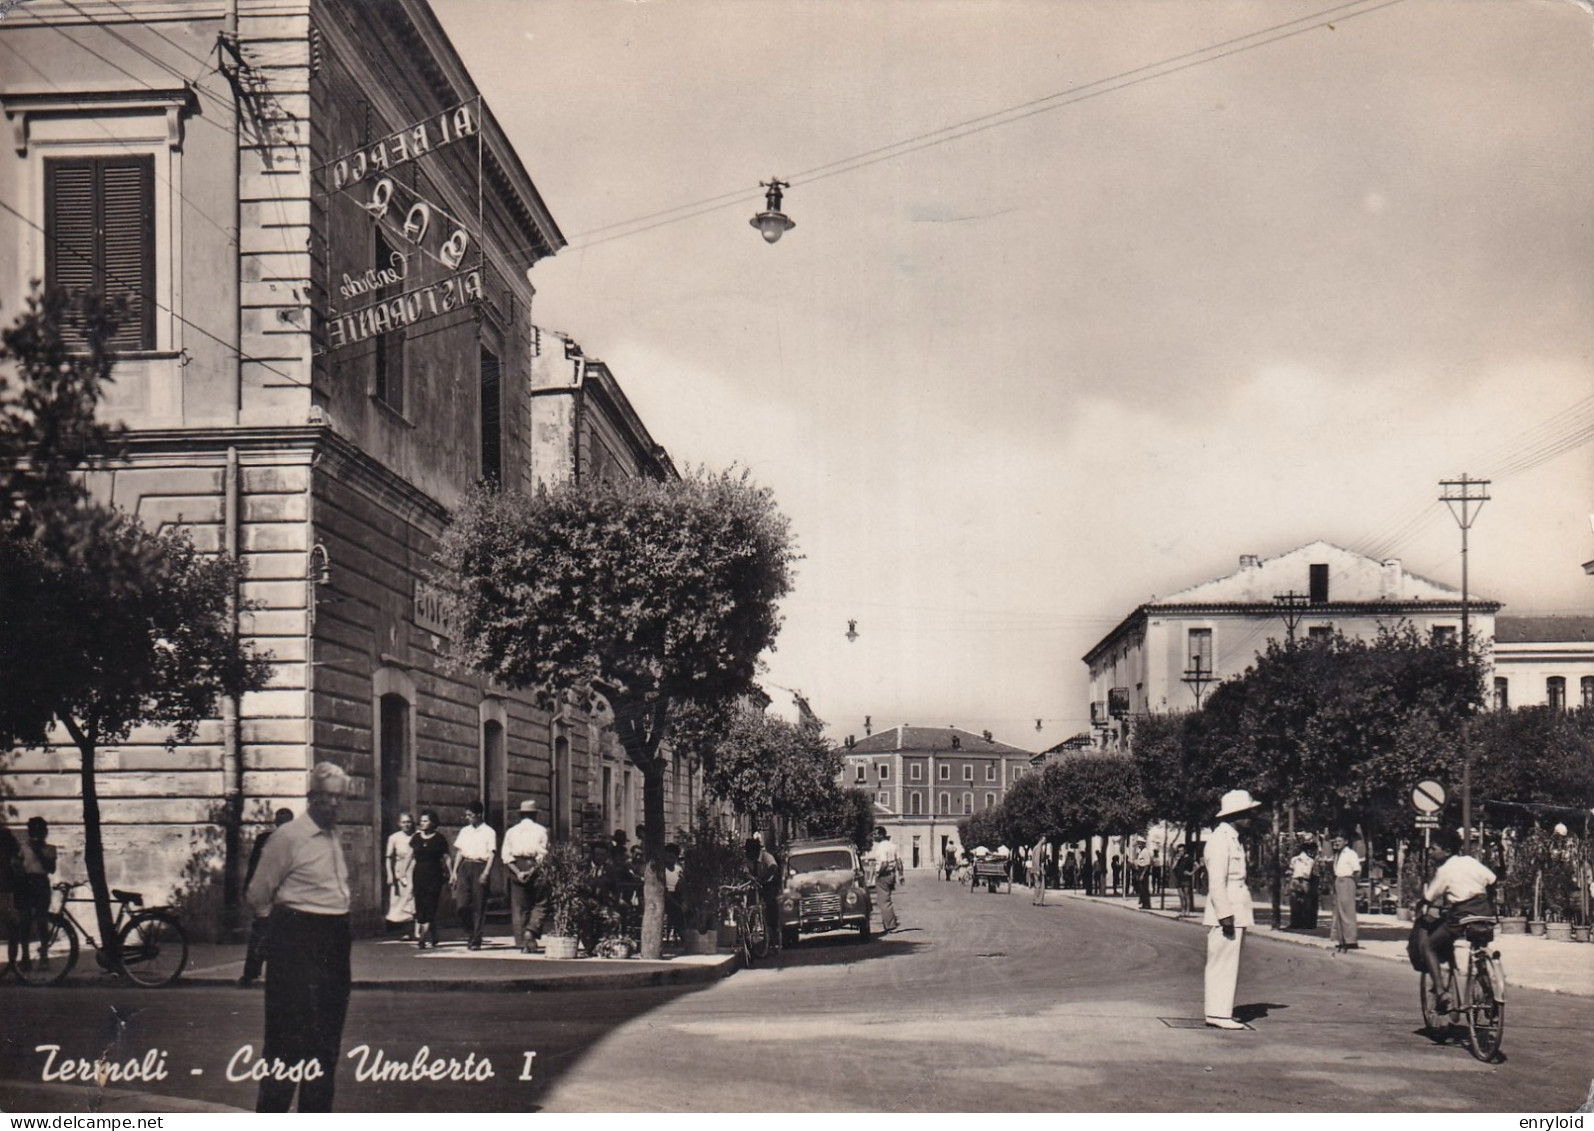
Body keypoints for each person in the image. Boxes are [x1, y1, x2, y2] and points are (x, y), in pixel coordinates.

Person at [245, 762, 354, 1112]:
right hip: (297, 939)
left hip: (334, 941)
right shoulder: (288, 837)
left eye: (340, 798)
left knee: (325, 1042)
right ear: (312, 798)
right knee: (286, 1042)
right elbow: (258, 893)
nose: (335, 805)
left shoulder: (334, 835)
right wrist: (280, 931)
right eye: (328, 797)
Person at [1414, 832, 1497, 1014]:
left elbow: (1429, 896)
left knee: (1429, 945)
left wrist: (1420, 907)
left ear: (1446, 851)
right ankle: (1489, 994)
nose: (1431, 852)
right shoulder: (1470, 861)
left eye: (1434, 849)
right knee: (1478, 950)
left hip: (1461, 916)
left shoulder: (1444, 871)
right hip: (1484, 913)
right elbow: (1492, 879)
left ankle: (1441, 992)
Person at [1203, 788, 1260, 1030]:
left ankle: (1221, 1011)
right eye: (1247, 813)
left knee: (1229, 963)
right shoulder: (1220, 840)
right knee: (1222, 963)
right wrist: (1225, 915)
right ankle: (1218, 1013)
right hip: (1226, 913)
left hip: (1236, 910)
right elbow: (1217, 883)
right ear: (1233, 814)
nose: (1251, 817)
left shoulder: (1231, 838)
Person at [240, 807, 296, 986]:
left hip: (281, 894)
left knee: (264, 933)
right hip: (273, 894)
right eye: (281, 820)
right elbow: (254, 865)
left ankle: (253, 973)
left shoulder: (290, 841)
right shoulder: (271, 839)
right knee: (263, 932)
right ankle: (252, 973)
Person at [501, 799, 550, 953]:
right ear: (535, 815)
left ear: (521, 815)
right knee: (541, 902)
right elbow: (543, 855)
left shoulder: (511, 831)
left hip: (517, 867)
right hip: (535, 867)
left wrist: (518, 872)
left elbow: (506, 855)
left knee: (519, 907)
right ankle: (531, 931)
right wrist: (532, 871)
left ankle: (523, 943)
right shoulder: (541, 830)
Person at [451, 801, 496, 950]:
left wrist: (486, 873)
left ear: (478, 815)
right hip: (465, 867)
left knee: (479, 905)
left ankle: (476, 939)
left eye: (470, 815)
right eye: (467, 815)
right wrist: (454, 872)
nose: (467, 818)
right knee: (461, 905)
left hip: (480, 866)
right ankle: (470, 933)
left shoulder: (489, 832)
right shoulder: (465, 831)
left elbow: (491, 854)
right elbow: (459, 852)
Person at [15, 816, 57, 971]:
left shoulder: (50, 849)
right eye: (34, 831)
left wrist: (39, 851)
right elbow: (17, 864)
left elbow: (51, 869)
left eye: (40, 831)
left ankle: (44, 957)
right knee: (25, 921)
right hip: (26, 883)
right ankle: (25, 957)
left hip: (41, 883)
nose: (38, 834)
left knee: (41, 920)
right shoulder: (23, 847)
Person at [409, 811, 449, 949]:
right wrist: (402, 873)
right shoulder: (416, 838)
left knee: (431, 904)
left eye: (425, 821)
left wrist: (452, 873)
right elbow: (410, 856)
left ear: (433, 823)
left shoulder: (439, 839)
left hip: (434, 875)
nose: (422, 823)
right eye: (421, 821)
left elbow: (446, 857)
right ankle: (434, 935)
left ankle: (423, 937)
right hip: (418, 874)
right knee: (420, 904)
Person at [744, 835, 781, 947]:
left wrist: (765, 878)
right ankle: (749, 930)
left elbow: (773, 867)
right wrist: (748, 877)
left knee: (770, 905)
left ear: (757, 851)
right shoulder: (747, 859)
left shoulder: (766, 856)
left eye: (752, 851)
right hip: (755, 883)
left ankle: (774, 934)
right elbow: (745, 871)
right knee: (749, 904)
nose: (750, 854)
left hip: (768, 883)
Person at [866, 826, 904, 934]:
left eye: (875, 834)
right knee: (888, 899)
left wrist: (878, 873)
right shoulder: (893, 845)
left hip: (884, 875)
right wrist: (901, 875)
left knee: (883, 901)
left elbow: (884, 863)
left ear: (881, 835)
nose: (874, 836)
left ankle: (890, 926)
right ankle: (890, 922)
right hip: (892, 874)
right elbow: (899, 861)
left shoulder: (881, 848)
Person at [384, 813, 416, 937]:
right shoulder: (394, 838)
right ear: (399, 824)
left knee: (413, 899)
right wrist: (389, 874)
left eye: (408, 822)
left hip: (414, 869)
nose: (406, 825)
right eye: (404, 822)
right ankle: (405, 930)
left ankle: (413, 930)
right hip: (400, 871)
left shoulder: (417, 836)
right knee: (401, 901)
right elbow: (388, 857)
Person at [1330, 831, 1362, 951]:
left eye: (1339, 841)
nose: (1337, 843)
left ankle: (1351, 940)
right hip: (1339, 881)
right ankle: (1342, 940)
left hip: (1347, 881)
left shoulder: (1350, 854)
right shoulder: (1338, 854)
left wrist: (1353, 884)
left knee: (1347, 911)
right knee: (1339, 912)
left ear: (1346, 842)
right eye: (1336, 841)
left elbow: (1357, 870)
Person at [1288, 838, 1319, 930]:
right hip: (1305, 880)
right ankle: (1306, 922)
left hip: (1296, 879)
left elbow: (1291, 870)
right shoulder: (1310, 860)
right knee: (1306, 903)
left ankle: (1295, 922)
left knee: (1295, 903)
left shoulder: (1294, 859)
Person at [1174, 843, 1196, 915]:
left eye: (1182, 851)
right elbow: (1173, 867)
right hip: (1178, 878)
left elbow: (1197, 865)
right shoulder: (1178, 859)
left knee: (1186, 895)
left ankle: (1187, 911)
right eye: (1179, 851)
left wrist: (1191, 873)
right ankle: (1182, 910)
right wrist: (1176, 860)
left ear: (1185, 850)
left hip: (1186, 878)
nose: (1180, 852)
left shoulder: (1188, 858)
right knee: (1181, 896)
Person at [1134, 838, 1154, 909]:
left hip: (1144, 870)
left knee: (1144, 888)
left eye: (1140, 844)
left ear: (1143, 844)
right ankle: (1143, 903)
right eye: (1138, 844)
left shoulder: (1145, 852)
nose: (1139, 845)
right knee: (1141, 889)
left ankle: (1147, 904)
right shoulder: (1141, 852)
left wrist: (1142, 874)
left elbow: (1147, 864)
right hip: (1140, 869)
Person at [1030, 837, 1048, 906]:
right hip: (1039, 869)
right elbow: (1037, 859)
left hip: (1036, 869)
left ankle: (1035, 900)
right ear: (1040, 840)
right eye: (1044, 839)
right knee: (1041, 885)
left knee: (1037, 885)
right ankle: (1039, 901)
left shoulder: (1036, 847)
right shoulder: (1038, 848)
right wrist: (1038, 870)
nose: (1045, 841)